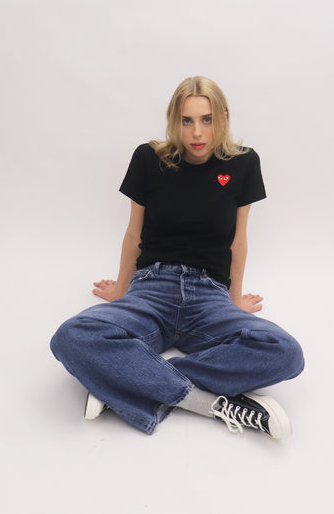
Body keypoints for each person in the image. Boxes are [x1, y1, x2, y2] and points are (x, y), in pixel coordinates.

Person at [50, 76, 304, 439]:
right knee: (71, 336)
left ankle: (124, 380)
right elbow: (134, 234)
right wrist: (121, 289)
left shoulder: (243, 163)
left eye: (207, 119)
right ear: (174, 120)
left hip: (210, 296)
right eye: (187, 121)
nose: (197, 132)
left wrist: (234, 301)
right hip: (151, 288)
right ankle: (206, 403)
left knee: (285, 352)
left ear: (224, 118)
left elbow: (239, 241)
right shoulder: (148, 158)